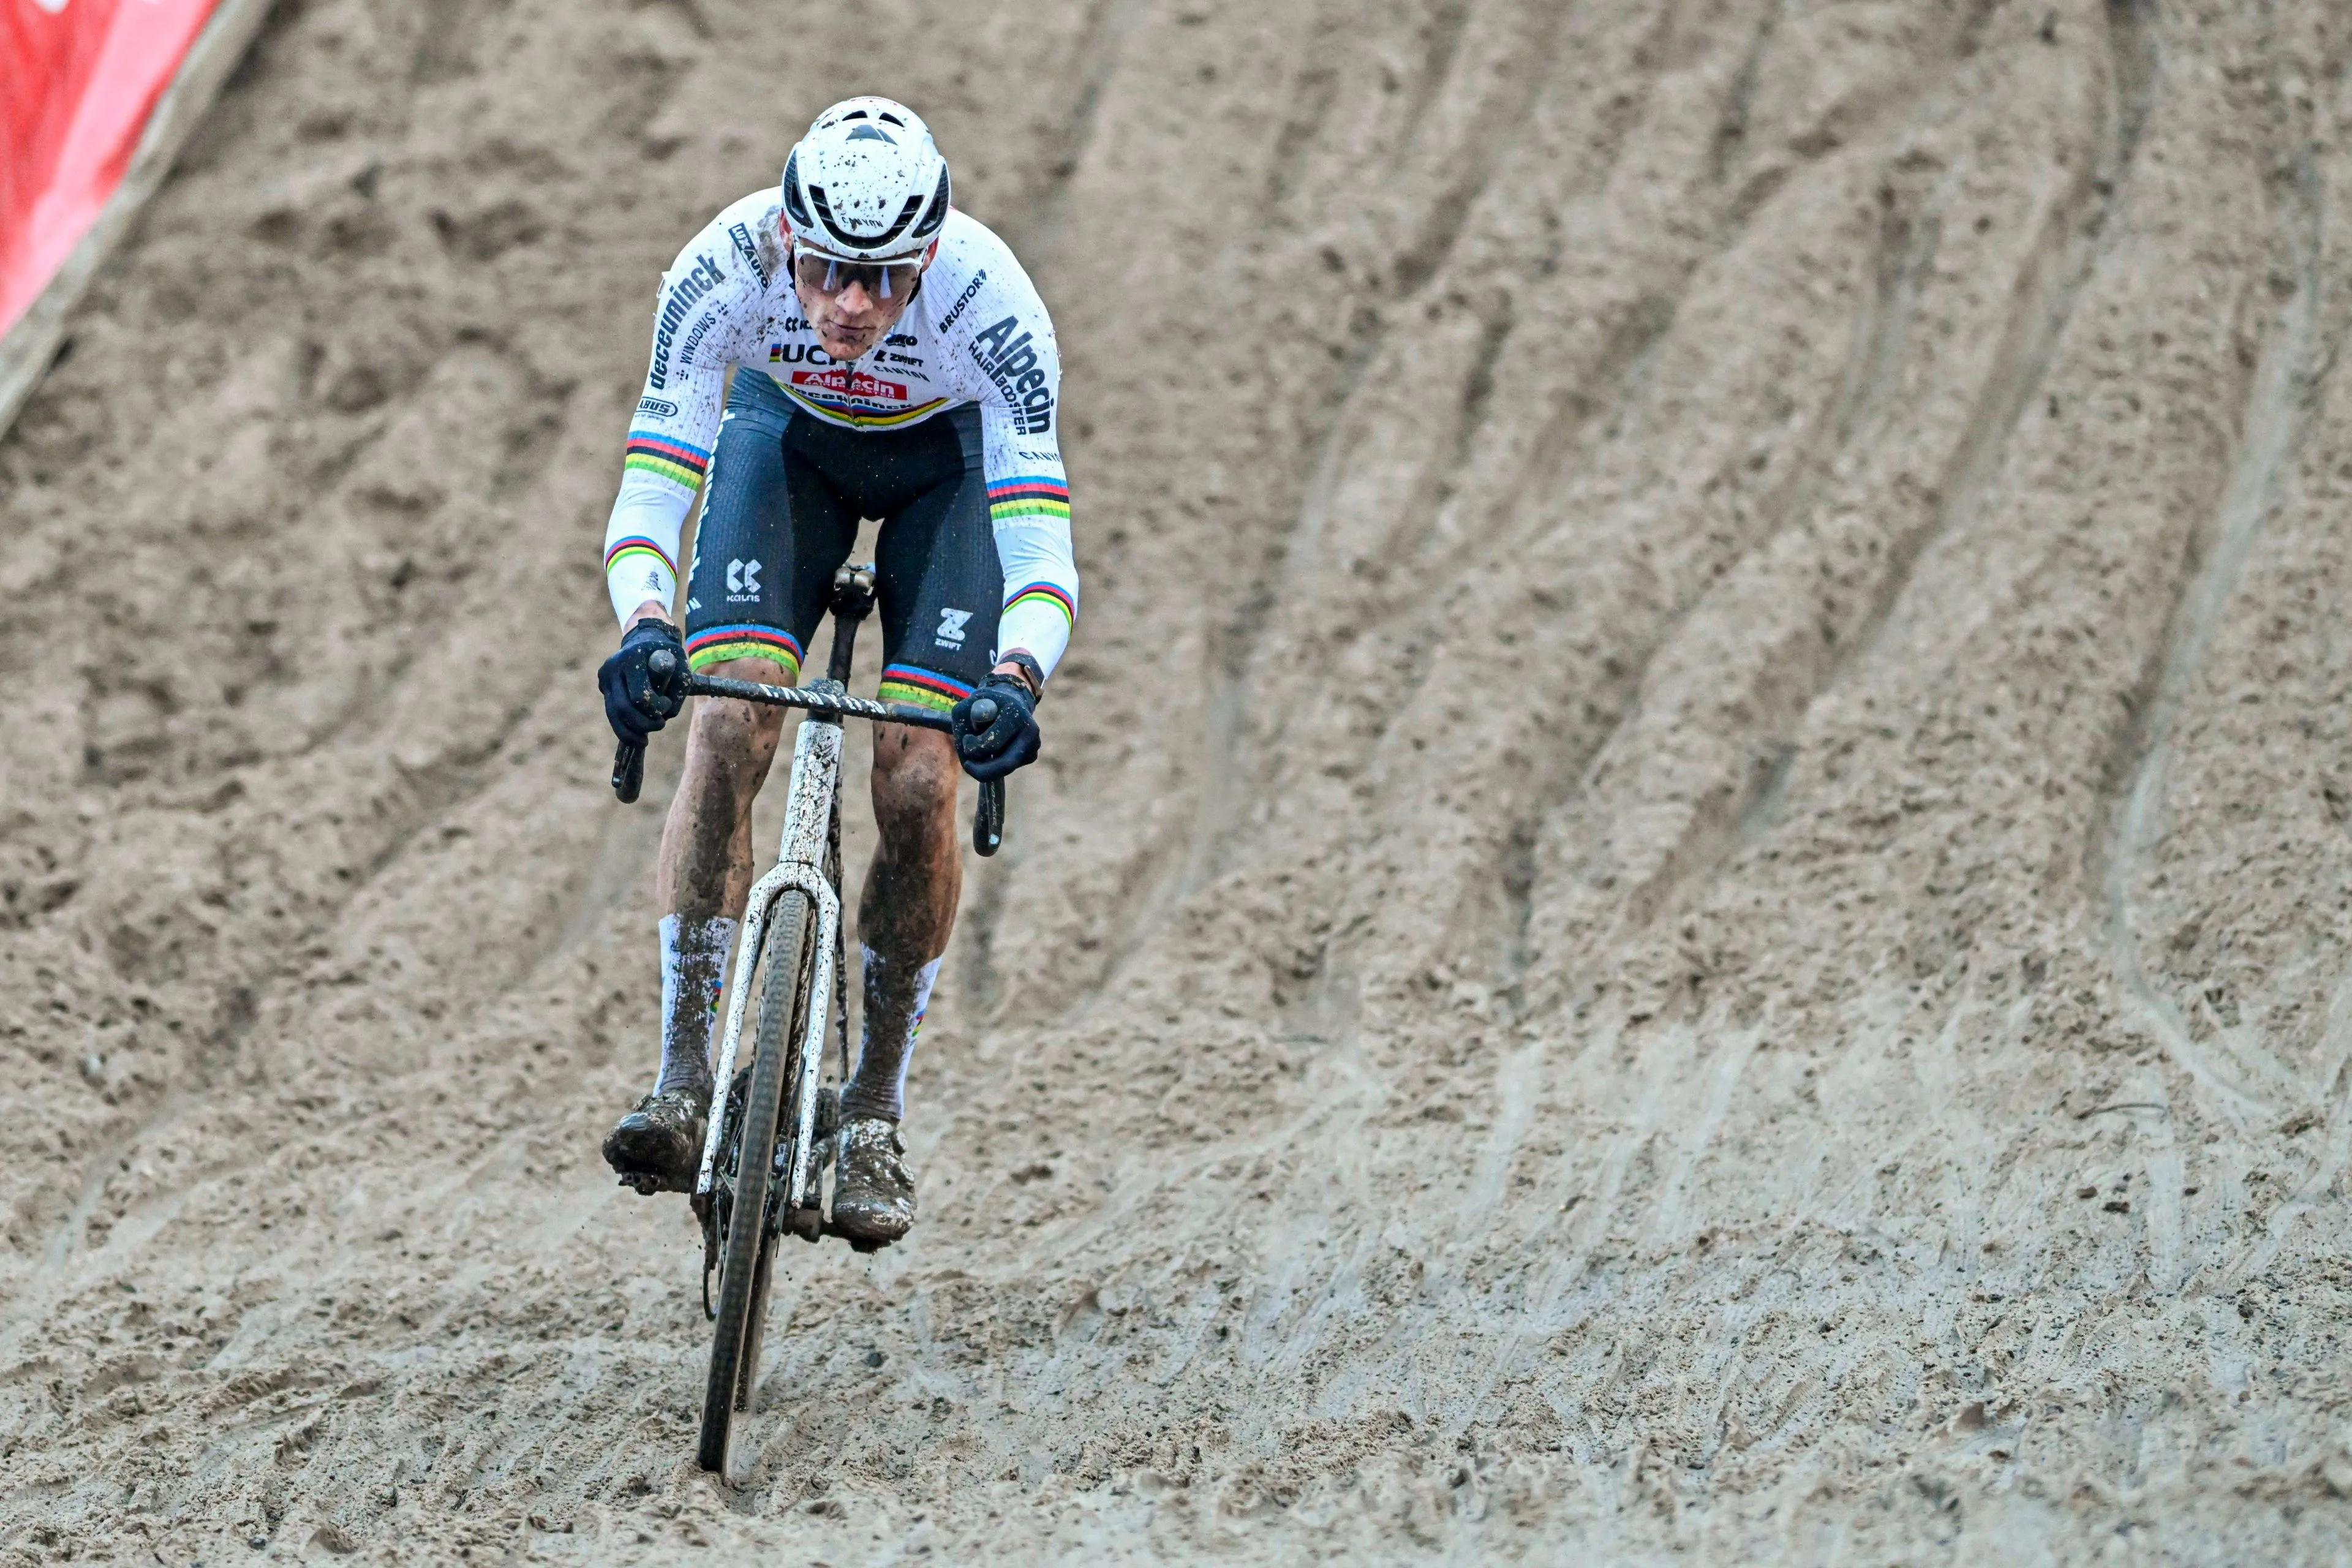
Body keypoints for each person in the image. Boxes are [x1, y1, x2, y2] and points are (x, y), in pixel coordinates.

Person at [592, 97, 1077, 1244]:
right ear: (787, 244)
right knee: (724, 731)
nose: (852, 306)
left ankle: (870, 1115)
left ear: (932, 262)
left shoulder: (993, 305)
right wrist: (645, 624)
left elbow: (1040, 539)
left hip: (944, 472)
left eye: (887, 280)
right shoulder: (720, 267)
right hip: (787, 444)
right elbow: (659, 477)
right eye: (826, 274)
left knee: (918, 780)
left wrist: (1018, 675)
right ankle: (684, 1071)